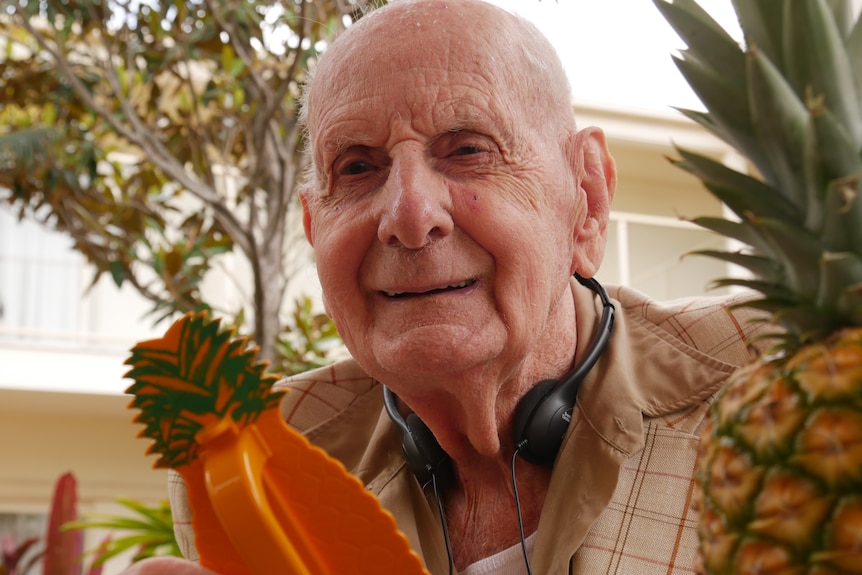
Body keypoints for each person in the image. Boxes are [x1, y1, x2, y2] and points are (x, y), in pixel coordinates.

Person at [125, 0, 769, 573]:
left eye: (467, 150)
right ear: (315, 227)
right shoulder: (251, 461)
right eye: (356, 167)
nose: (408, 215)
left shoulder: (787, 382)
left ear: (588, 200)